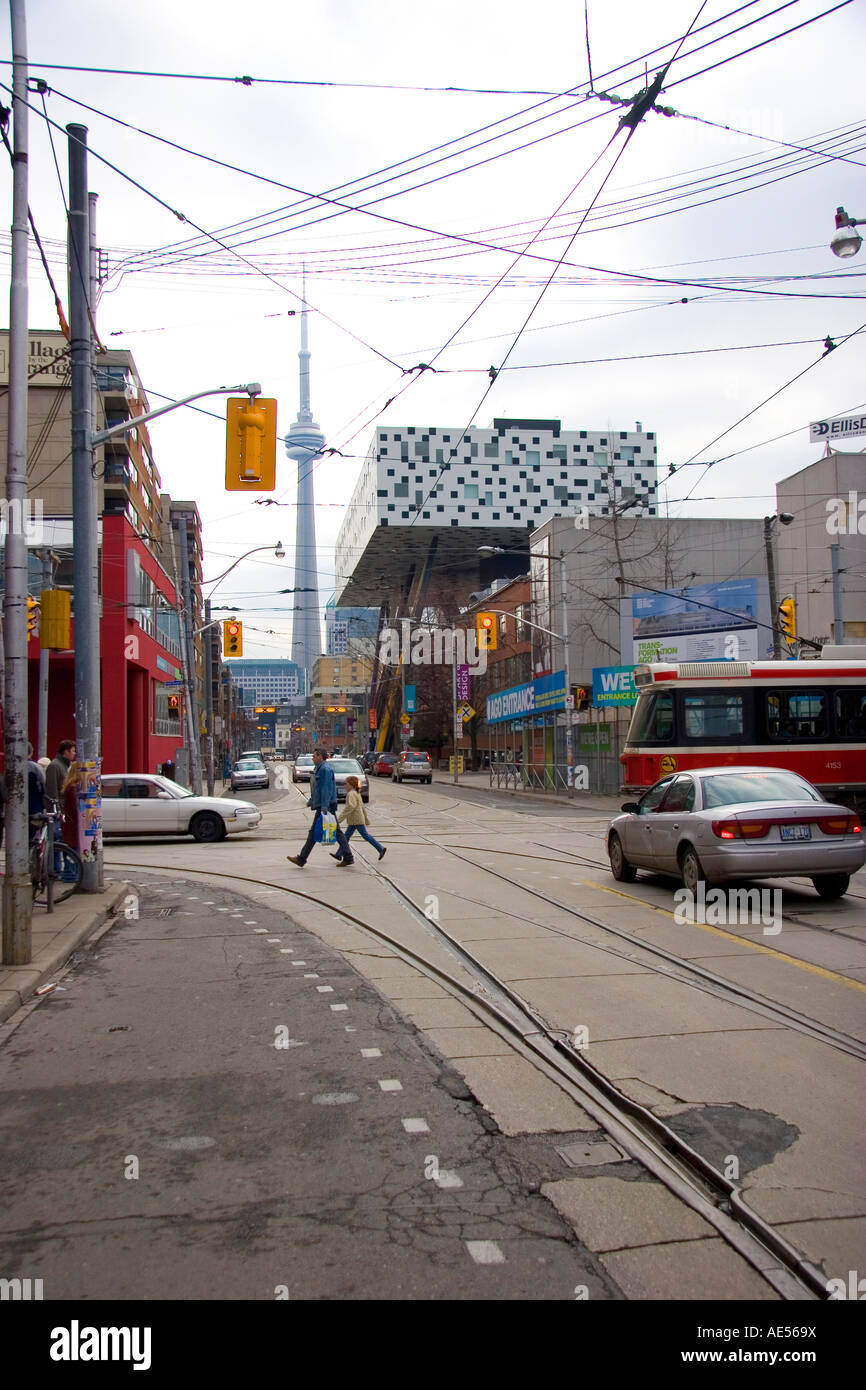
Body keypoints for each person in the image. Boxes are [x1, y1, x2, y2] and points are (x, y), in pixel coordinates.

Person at [287, 749, 354, 868]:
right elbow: (317, 789)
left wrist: (324, 807)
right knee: (335, 832)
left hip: (326, 805)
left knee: (317, 832)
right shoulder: (319, 768)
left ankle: (302, 858)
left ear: (320, 757)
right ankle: (348, 857)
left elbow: (326, 789)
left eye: (314, 756)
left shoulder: (325, 769)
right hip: (325, 805)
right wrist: (312, 801)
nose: (312, 758)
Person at [332, 776, 385, 862]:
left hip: (356, 820)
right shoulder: (356, 793)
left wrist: (339, 819)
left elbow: (350, 807)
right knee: (346, 837)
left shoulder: (351, 794)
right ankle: (339, 854)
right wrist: (365, 818)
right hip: (355, 820)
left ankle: (380, 848)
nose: (344, 785)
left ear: (351, 785)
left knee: (364, 836)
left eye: (346, 784)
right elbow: (362, 807)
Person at [60, 760, 87, 855]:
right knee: (73, 854)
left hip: (71, 825)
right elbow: (76, 809)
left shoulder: (72, 786)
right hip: (73, 827)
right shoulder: (73, 788)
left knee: (72, 852)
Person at [45, 740, 75, 808]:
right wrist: (55, 809)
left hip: (65, 807)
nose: (74, 753)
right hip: (60, 808)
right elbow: (51, 790)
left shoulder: (66, 766)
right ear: (66, 751)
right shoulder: (55, 766)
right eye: (73, 751)